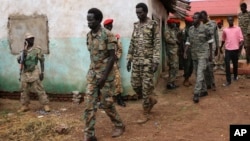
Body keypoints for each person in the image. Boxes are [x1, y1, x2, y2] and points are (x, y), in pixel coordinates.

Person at [84, 8, 125, 141]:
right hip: (92, 75)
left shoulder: (108, 35)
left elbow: (112, 58)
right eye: (87, 19)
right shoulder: (88, 36)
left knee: (106, 103)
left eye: (91, 20)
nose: (88, 22)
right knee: (89, 103)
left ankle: (119, 125)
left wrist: (103, 77)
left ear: (98, 20)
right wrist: (95, 75)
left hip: (106, 77)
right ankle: (89, 135)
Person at [127, 2, 159, 124]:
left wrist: (156, 61)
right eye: (137, 13)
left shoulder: (153, 24)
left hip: (148, 62)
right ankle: (150, 99)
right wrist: (129, 58)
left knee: (146, 88)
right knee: (135, 84)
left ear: (145, 12)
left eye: (140, 12)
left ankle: (146, 112)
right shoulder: (136, 25)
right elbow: (132, 42)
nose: (138, 15)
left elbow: (156, 43)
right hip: (136, 61)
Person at [17, 33, 50, 112]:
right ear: (26, 41)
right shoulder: (22, 52)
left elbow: (42, 62)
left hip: (34, 71)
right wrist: (24, 54)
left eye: (32, 39)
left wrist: (42, 72)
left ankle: (45, 105)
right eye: (29, 39)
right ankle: (25, 105)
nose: (31, 41)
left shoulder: (37, 50)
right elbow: (19, 61)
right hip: (25, 72)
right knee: (24, 90)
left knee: (39, 88)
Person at [185, 12, 213, 103]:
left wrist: (210, 54)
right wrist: (185, 51)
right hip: (194, 54)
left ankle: (196, 93)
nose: (194, 20)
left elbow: (210, 41)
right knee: (197, 74)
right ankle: (204, 90)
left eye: (196, 18)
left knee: (200, 73)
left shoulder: (205, 28)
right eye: (193, 18)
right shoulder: (191, 29)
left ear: (200, 19)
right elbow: (188, 41)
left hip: (203, 54)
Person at [103, 18, 126, 107]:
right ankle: (103, 101)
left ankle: (119, 99)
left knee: (117, 81)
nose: (109, 27)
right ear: (104, 27)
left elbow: (120, 49)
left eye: (110, 26)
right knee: (104, 83)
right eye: (107, 26)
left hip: (114, 64)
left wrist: (117, 57)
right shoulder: (101, 37)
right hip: (104, 64)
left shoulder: (115, 37)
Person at [219, 16, 244, 86]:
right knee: (227, 65)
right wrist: (221, 47)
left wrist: (240, 45)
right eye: (229, 20)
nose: (230, 21)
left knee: (235, 64)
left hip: (235, 49)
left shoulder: (238, 29)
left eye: (231, 20)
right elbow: (223, 39)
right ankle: (228, 81)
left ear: (233, 20)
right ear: (227, 21)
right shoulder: (225, 30)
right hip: (228, 50)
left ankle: (235, 76)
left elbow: (241, 39)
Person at [200, 10, 219, 91]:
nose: (202, 19)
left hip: (212, 47)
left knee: (210, 66)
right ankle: (208, 84)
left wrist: (217, 47)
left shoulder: (213, 23)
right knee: (205, 67)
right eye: (201, 18)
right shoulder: (200, 25)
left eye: (203, 18)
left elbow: (216, 36)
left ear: (206, 16)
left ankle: (213, 83)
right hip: (203, 48)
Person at [164, 19, 179, 89]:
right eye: (173, 23)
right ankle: (170, 83)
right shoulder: (167, 30)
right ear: (170, 24)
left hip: (174, 51)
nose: (174, 24)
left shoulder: (172, 30)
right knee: (173, 66)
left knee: (174, 66)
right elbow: (167, 39)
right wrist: (175, 41)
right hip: (171, 51)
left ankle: (172, 82)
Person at [183, 16, 194, 87]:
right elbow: (183, 41)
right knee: (187, 65)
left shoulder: (190, 29)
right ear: (187, 23)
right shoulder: (185, 31)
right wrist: (184, 51)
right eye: (191, 22)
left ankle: (188, 78)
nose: (192, 23)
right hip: (186, 50)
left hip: (192, 49)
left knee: (191, 66)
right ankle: (186, 79)